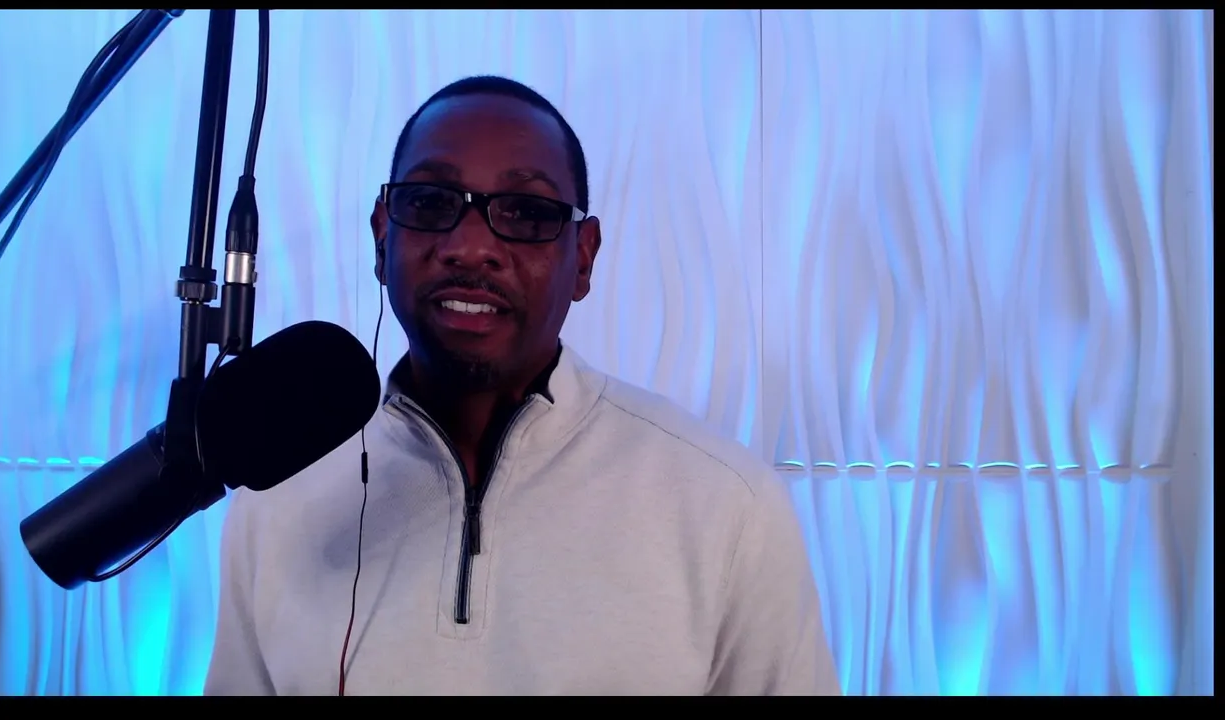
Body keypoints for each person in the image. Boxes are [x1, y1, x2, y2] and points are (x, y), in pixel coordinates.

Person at [203, 75, 840, 696]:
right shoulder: (278, 491)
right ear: (381, 235)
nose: (470, 246)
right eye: (430, 202)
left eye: (527, 213)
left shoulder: (725, 505)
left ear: (583, 257)